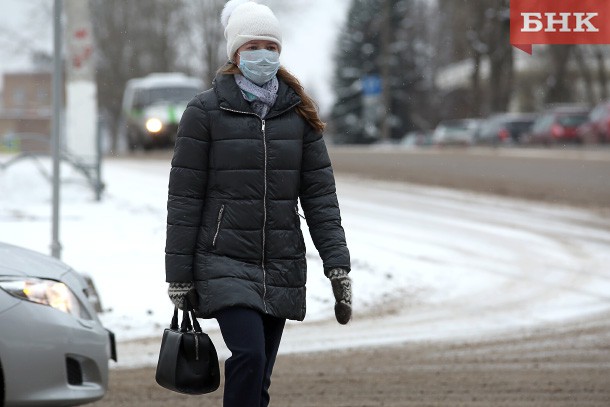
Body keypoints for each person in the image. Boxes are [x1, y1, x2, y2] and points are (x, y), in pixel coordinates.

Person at [164, 0, 351, 406]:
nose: (262, 54)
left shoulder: (299, 114)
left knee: (259, 375)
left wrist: (337, 267)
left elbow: (320, 198)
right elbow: (184, 199)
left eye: (270, 46)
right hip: (223, 260)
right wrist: (178, 275)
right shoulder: (204, 112)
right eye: (253, 46)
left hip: (281, 262)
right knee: (247, 355)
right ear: (235, 53)